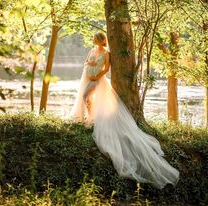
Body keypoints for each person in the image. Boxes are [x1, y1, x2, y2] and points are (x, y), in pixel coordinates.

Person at [69, 32, 179, 189]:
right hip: (90, 77)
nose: (94, 40)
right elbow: (86, 62)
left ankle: (93, 118)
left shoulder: (107, 53)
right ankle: (90, 117)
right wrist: (90, 67)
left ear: (101, 40)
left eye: (95, 38)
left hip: (99, 80)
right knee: (86, 98)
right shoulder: (92, 50)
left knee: (88, 97)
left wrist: (97, 75)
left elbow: (107, 68)